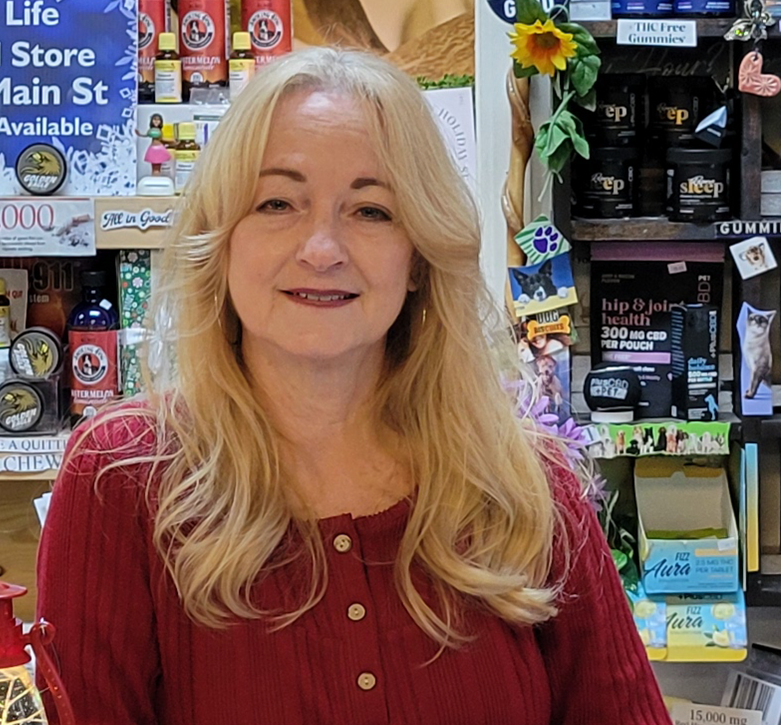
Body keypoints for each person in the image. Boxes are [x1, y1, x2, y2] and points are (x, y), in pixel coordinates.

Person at [37, 48, 671, 725]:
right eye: (277, 201)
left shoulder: (527, 489)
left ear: (421, 254)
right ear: (221, 242)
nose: (321, 248)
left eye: (371, 210)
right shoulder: (124, 478)